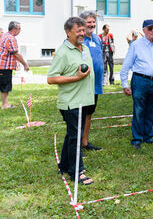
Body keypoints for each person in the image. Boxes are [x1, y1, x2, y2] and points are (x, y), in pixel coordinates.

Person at [47, 17, 95, 185]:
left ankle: (65, 165)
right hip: (71, 102)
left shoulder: (84, 48)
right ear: (68, 32)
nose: (82, 33)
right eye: (78, 31)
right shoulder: (62, 52)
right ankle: (77, 172)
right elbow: (51, 79)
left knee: (72, 134)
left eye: (83, 30)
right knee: (76, 137)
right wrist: (76, 78)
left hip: (83, 100)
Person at [120, 19, 153, 149]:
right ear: (144, 30)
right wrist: (125, 84)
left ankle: (148, 137)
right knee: (139, 110)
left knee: (152, 110)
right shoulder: (136, 45)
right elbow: (126, 66)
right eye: (150, 28)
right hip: (140, 80)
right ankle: (136, 139)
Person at [79, 11, 104, 151]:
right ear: (82, 22)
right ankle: (76, 146)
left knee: (89, 114)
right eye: (89, 22)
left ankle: (85, 142)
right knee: (80, 115)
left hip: (95, 84)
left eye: (93, 22)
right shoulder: (80, 39)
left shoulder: (97, 39)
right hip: (83, 83)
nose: (92, 24)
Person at [0, 21, 29, 109]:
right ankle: (5, 105)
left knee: (5, 84)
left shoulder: (6, 35)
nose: (20, 30)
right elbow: (16, 53)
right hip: (3, 65)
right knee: (5, 84)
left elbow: (10, 53)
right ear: (14, 29)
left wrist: (16, 64)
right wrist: (25, 64)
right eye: (19, 28)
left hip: (2, 64)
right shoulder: (10, 38)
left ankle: (6, 103)